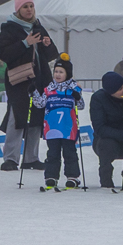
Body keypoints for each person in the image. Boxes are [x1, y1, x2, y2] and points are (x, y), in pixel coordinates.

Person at [0, 0, 59, 172]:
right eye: (25, 6)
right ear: (18, 9)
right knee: (17, 117)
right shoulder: (9, 28)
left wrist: (47, 44)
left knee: (37, 118)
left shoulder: (38, 26)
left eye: (31, 6)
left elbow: (51, 55)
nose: (29, 9)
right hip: (20, 81)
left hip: (40, 79)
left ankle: (31, 158)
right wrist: (25, 43)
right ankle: (10, 159)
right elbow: (3, 53)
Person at [31, 54, 85, 190]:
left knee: (69, 153)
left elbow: (82, 106)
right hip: (52, 128)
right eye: (56, 71)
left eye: (61, 72)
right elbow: (39, 104)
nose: (58, 74)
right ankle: (51, 177)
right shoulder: (49, 89)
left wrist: (77, 97)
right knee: (53, 153)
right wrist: (33, 93)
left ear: (68, 73)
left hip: (68, 128)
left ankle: (72, 177)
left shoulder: (74, 88)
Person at [90, 71, 123, 189]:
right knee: (106, 144)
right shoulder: (98, 99)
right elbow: (100, 128)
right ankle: (106, 179)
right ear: (111, 93)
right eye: (120, 89)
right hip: (109, 140)